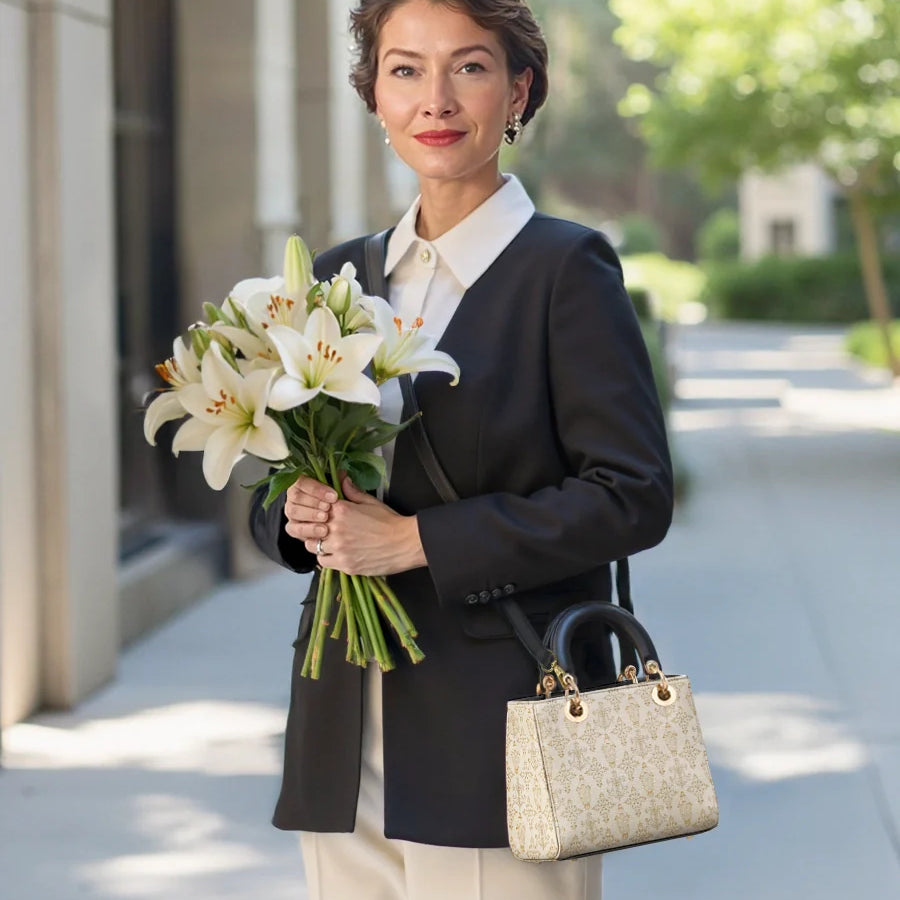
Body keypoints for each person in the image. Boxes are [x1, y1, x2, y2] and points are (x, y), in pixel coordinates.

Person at [249, 1, 673, 897]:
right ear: (374, 95)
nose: (434, 99)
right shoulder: (336, 278)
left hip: (502, 727)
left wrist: (417, 542)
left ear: (518, 91)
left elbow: (631, 494)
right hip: (342, 728)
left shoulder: (566, 270)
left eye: (469, 67)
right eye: (405, 69)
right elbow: (275, 480)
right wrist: (298, 515)